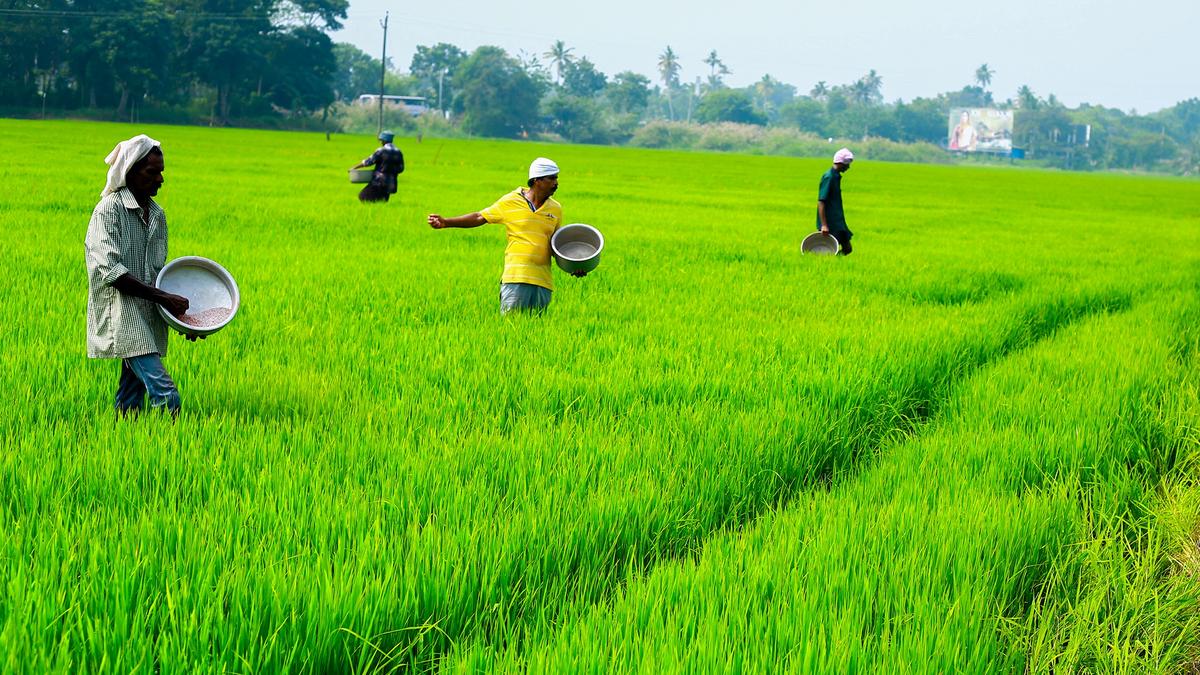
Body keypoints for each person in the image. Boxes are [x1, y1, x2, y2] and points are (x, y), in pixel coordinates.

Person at [85, 134, 199, 418]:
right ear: (131, 172)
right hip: (122, 316)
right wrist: (164, 298)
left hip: (146, 315)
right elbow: (111, 272)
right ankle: (171, 450)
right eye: (152, 172)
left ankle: (125, 438)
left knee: (130, 395)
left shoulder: (157, 214)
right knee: (166, 393)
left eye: (161, 171)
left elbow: (157, 275)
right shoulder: (109, 210)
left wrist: (185, 322)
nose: (160, 179)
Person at [427, 157, 585, 314]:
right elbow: (479, 217)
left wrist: (573, 266)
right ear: (537, 180)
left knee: (536, 332)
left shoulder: (555, 208)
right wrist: (446, 222)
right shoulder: (511, 201)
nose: (556, 183)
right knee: (511, 327)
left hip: (543, 282)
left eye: (557, 178)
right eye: (552, 178)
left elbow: (556, 245)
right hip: (516, 278)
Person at [816, 148, 855, 256]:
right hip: (831, 222)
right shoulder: (829, 177)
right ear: (840, 163)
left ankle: (831, 262)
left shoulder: (836, 176)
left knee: (847, 248)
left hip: (838, 221)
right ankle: (826, 263)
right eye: (847, 164)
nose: (848, 167)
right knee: (832, 249)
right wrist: (824, 225)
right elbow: (821, 201)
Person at [350, 130, 405, 203]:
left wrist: (354, 168)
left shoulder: (381, 150)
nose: (381, 142)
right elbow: (401, 169)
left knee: (363, 197)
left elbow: (368, 162)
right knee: (382, 203)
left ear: (383, 141)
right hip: (391, 183)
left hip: (378, 182)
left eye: (381, 140)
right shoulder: (398, 152)